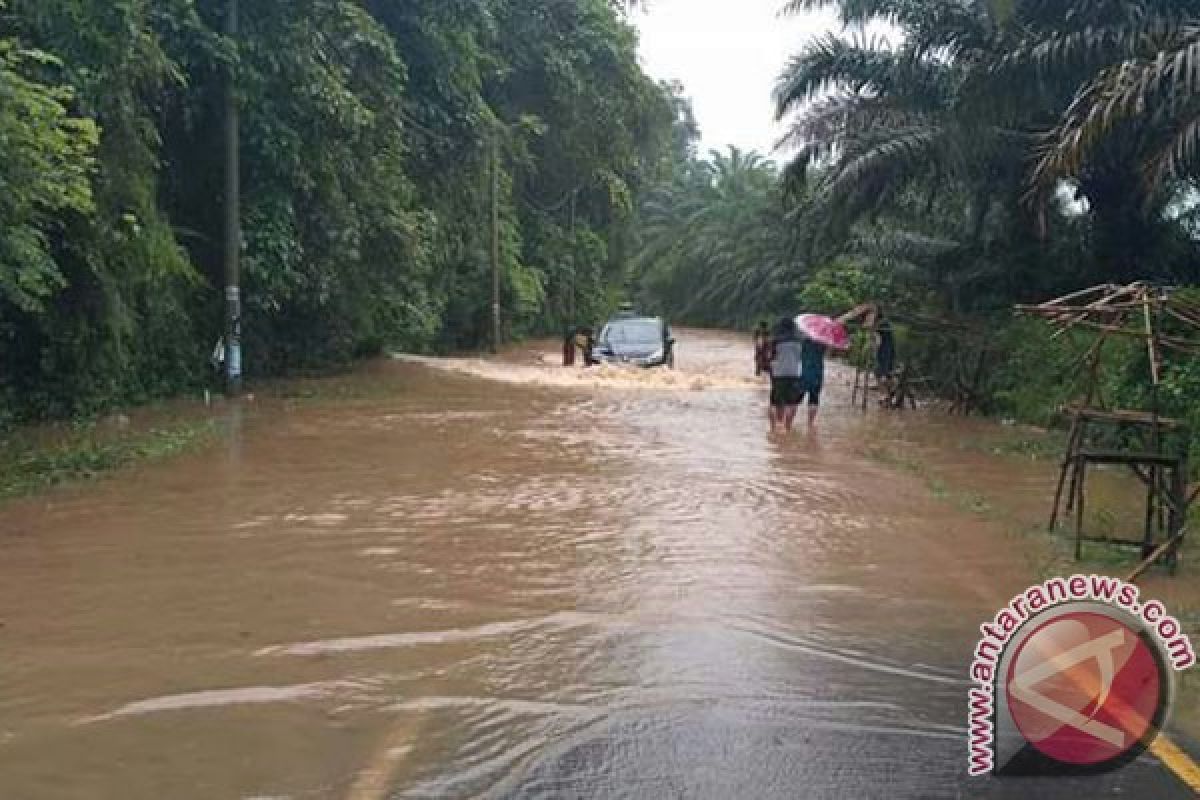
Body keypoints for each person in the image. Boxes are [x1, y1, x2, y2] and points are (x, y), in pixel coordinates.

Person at [768, 317, 804, 433]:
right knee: (792, 402)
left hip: (778, 374)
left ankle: (777, 426)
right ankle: (787, 427)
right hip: (794, 373)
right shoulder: (799, 341)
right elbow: (800, 357)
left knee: (776, 402)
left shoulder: (776, 341)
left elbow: (771, 357)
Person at [799, 330, 828, 428]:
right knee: (814, 399)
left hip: (803, 372)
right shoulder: (823, 343)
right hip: (817, 373)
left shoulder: (804, 341)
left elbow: (799, 355)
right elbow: (825, 353)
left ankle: (788, 422)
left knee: (795, 399)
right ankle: (810, 423)